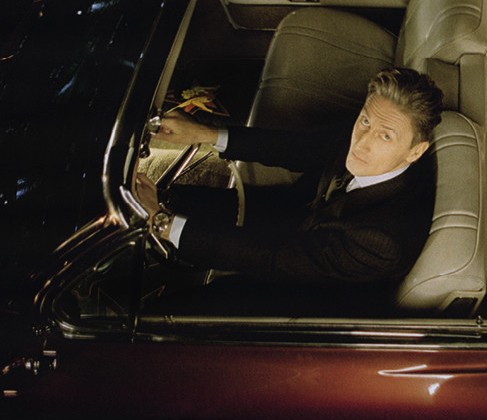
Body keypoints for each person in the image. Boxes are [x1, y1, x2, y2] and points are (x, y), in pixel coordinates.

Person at [136, 67, 443, 289]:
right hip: (294, 216)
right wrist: (204, 133)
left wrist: (162, 223)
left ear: (416, 152)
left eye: (385, 136)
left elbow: (272, 258)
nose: (362, 142)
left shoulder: (383, 242)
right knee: (172, 198)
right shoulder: (379, 134)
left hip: (294, 294)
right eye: (364, 121)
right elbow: (298, 148)